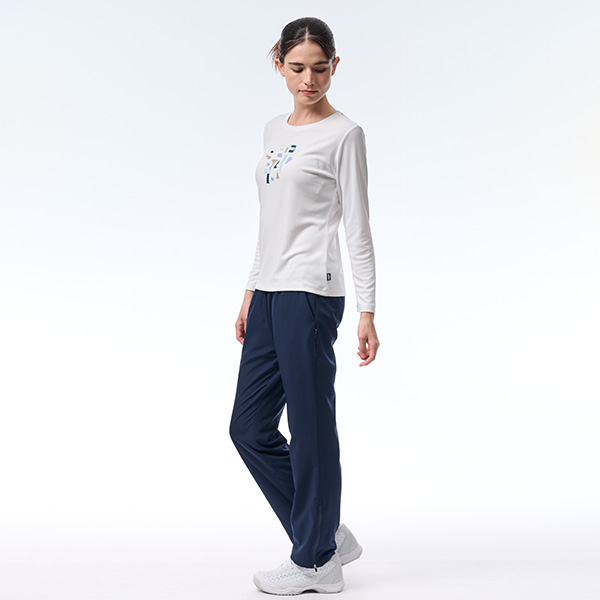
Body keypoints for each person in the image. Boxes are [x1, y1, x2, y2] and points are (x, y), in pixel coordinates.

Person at [229, 16, 380, 595]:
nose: (308, 80)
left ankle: (316, 561)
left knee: (311, 427)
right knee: (249, 428)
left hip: (313, 293)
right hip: (270, 292)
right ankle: (326, 532)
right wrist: (251, 289)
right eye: (297, 68)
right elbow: (271, 223)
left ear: (335, 66)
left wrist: (367, 309)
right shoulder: (273, 129)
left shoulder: (345, 134)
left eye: (319, 68)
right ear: (279, 66)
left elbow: (358, 227)